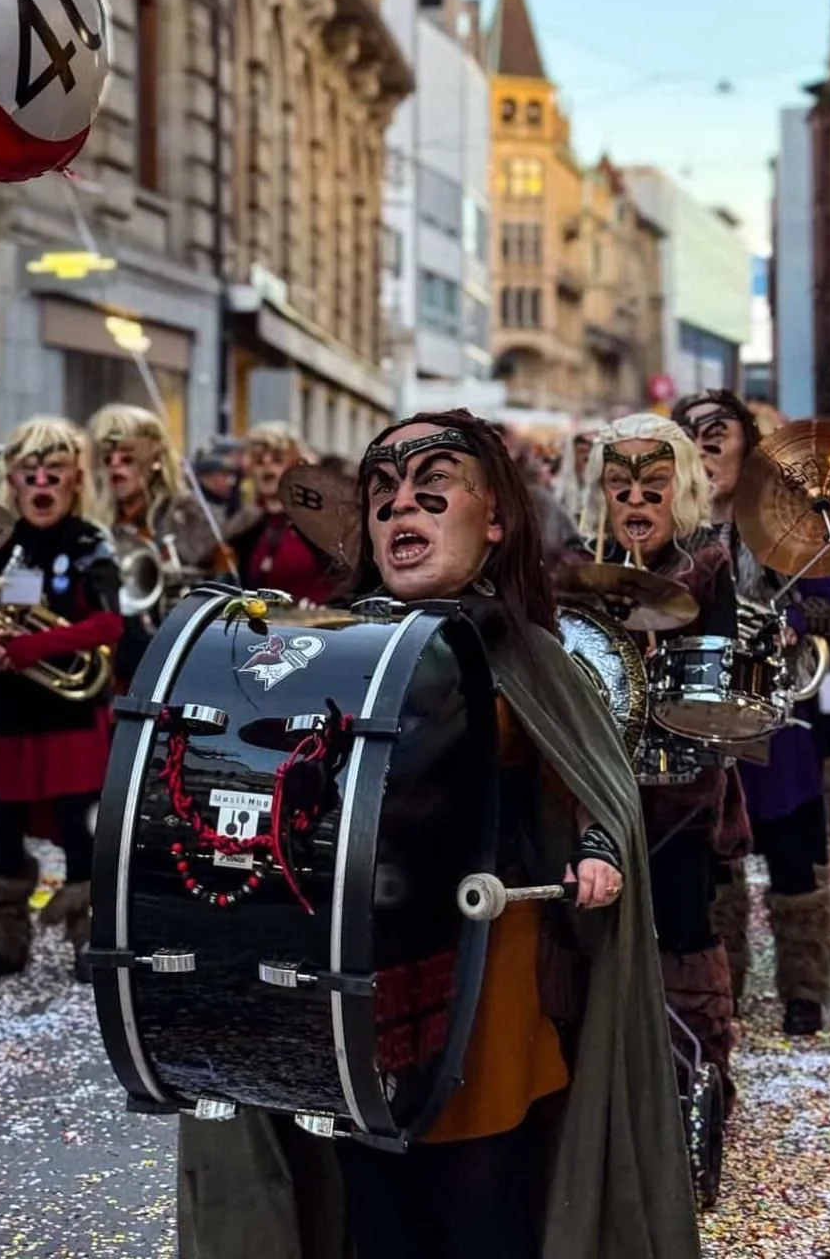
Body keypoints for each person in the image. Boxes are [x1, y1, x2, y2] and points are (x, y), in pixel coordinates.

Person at [179, 411, 700, 1259]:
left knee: (479, 1213)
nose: (399, 509)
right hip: (348, 995)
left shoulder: (532, 658)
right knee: (371, 1209)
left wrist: (600, 852)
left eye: (431, 488)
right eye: (381, 494)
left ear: (493, 520)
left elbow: (594, 796)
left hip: (485, 996)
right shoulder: (320, 649)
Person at [674, 390, 830, 1036]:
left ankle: (805, 984)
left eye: (717, 431)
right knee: (714, 858)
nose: (703, 443)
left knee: (792, 853)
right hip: (698, 716)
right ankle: (721, 977)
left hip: (775, 714)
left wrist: (789, 621)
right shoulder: (674, 529)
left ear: (747, 444)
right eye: (690, 432)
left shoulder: (781, 522)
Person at [578, 413, 746, 1105]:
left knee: (682, 928)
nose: (635, 501)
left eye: (652, 485)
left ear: (678, 487)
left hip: (681, 787)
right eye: (620, 487)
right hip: (602, 785)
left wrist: (656, 661)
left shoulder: (707, 562)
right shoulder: (591, 568)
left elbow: (719, 691)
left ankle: (696, 1092)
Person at [0, 418, 122, 985]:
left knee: (80, 830)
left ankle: (88, 940)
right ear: (13, 479)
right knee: (4, 830)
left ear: (75, 479)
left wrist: (29, 648)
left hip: (70, 716)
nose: (42, 485)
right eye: (31, 475)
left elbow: (108, 623)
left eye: (54, 474)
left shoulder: (89, 541)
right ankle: (4, 943)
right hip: (12, 714)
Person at [89, 403, 234, 684]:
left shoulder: (189, 515)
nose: (115, 467)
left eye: (127, 459)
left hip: (171, 664)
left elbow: (224, 583)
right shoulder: (91, 517)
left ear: (153, 460)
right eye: (108, 459)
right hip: (105, 667)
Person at [226, 423, 338, 604]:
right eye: (259, 461)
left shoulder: (320, 520)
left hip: (317, 628)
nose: (267, 468)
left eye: (277, 460)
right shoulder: (248, 527)